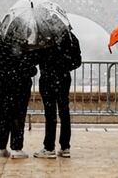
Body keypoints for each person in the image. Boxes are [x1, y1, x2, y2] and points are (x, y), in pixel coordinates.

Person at [32, 29, 81, 159]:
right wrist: (64, 66)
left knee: (50, 113)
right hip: (63, 78)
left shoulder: (44, 37)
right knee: (64, 112)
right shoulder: (71, 38)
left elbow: (35, 59)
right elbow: (77, 61)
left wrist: (46, 61)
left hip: (48, 79)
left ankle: (49, 147)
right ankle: (65, 147)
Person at [0, 33, 37, 159]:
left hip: (1, 83)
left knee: (3, 114)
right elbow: (28, 67)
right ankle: (16, 148)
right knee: (18, 114)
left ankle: (0, 147)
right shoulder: (23, 45)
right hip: (19, 84)